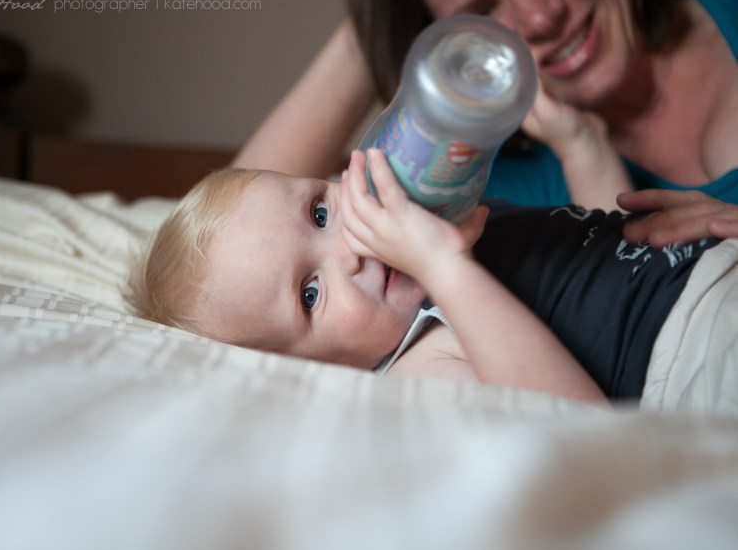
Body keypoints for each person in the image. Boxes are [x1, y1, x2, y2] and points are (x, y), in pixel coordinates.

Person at [130, 147, 737, 406]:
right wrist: (445, 270)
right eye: (309, 294)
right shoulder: (425, 360)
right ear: (311, 371)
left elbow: (585, 265)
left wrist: (579, 142)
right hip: (701, 352)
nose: (349, 250)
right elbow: (575, 433)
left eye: (319, 212)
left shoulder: (446, 223)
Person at [234, 0, 738, 215]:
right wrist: (377, 22)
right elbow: (233, 235)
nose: (539, 17)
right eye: (483, 10)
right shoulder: (481, 184)